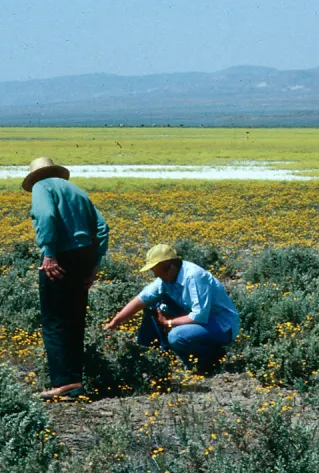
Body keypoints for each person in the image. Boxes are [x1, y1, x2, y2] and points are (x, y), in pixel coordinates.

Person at [23, 157, 109, 399]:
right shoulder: (76, 190)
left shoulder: (42, 187)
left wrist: (48, 253)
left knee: (54, 320)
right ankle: (74, 380)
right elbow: (102, 228)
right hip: (84, 256)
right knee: (74, 319)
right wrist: (94, 265)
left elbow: (46, 216)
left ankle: (64, 383)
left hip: (61, 256)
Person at [103, 243, 238, 371]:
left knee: (177, 335)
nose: (156, 276)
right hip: (201, 321)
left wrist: (168, 323)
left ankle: (210, 359)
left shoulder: (194, 276)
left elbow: (199, 315)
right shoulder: (167, 277)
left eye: (158, 271)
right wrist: (115, 322)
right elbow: (141, 299)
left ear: (170, 267)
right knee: (152, 307)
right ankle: (151, 354)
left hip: (222, 325)